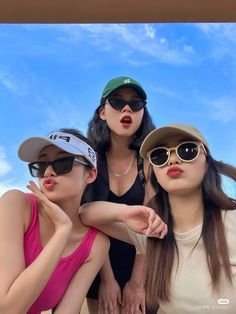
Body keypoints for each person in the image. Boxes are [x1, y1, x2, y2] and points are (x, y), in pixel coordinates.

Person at [80, 123, 236, 314]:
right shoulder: (153, 231)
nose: (171, 159)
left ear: (207, 163)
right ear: (154, 173)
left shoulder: (231, 222)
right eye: (159, 155)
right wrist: (124, 212)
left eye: (187, 150)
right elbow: (85, 214)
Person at [0, 128, 110, 314]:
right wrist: (62, 231)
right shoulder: (16, 204)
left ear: (90, 174)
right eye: (41, 165)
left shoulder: (96, 244)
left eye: (63, 163)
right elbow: (8, 309)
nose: (49, 172)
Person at [83, 76, 156, 314]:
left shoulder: (150, 161)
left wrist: (137, 283)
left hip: (144, 269)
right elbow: (86, 221)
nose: (127, 108)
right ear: (103, 112)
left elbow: (150, 227)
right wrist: (107, 280)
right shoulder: (89, 161)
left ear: (142, 113)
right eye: (117, 102)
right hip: (97, 266)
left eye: (135, 104)